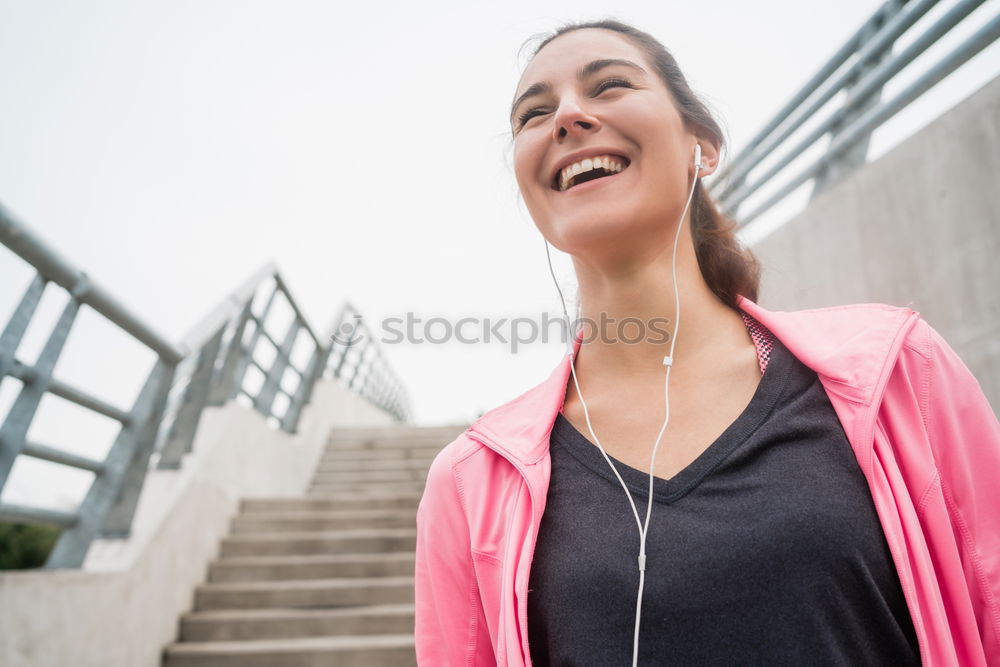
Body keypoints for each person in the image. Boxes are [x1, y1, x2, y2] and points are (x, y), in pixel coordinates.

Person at [414, 18, 1000, 667]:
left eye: (609, 85)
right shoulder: (468, 485)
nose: (569, 115)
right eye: (534, 112)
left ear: (703, 146)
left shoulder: (899, 372)